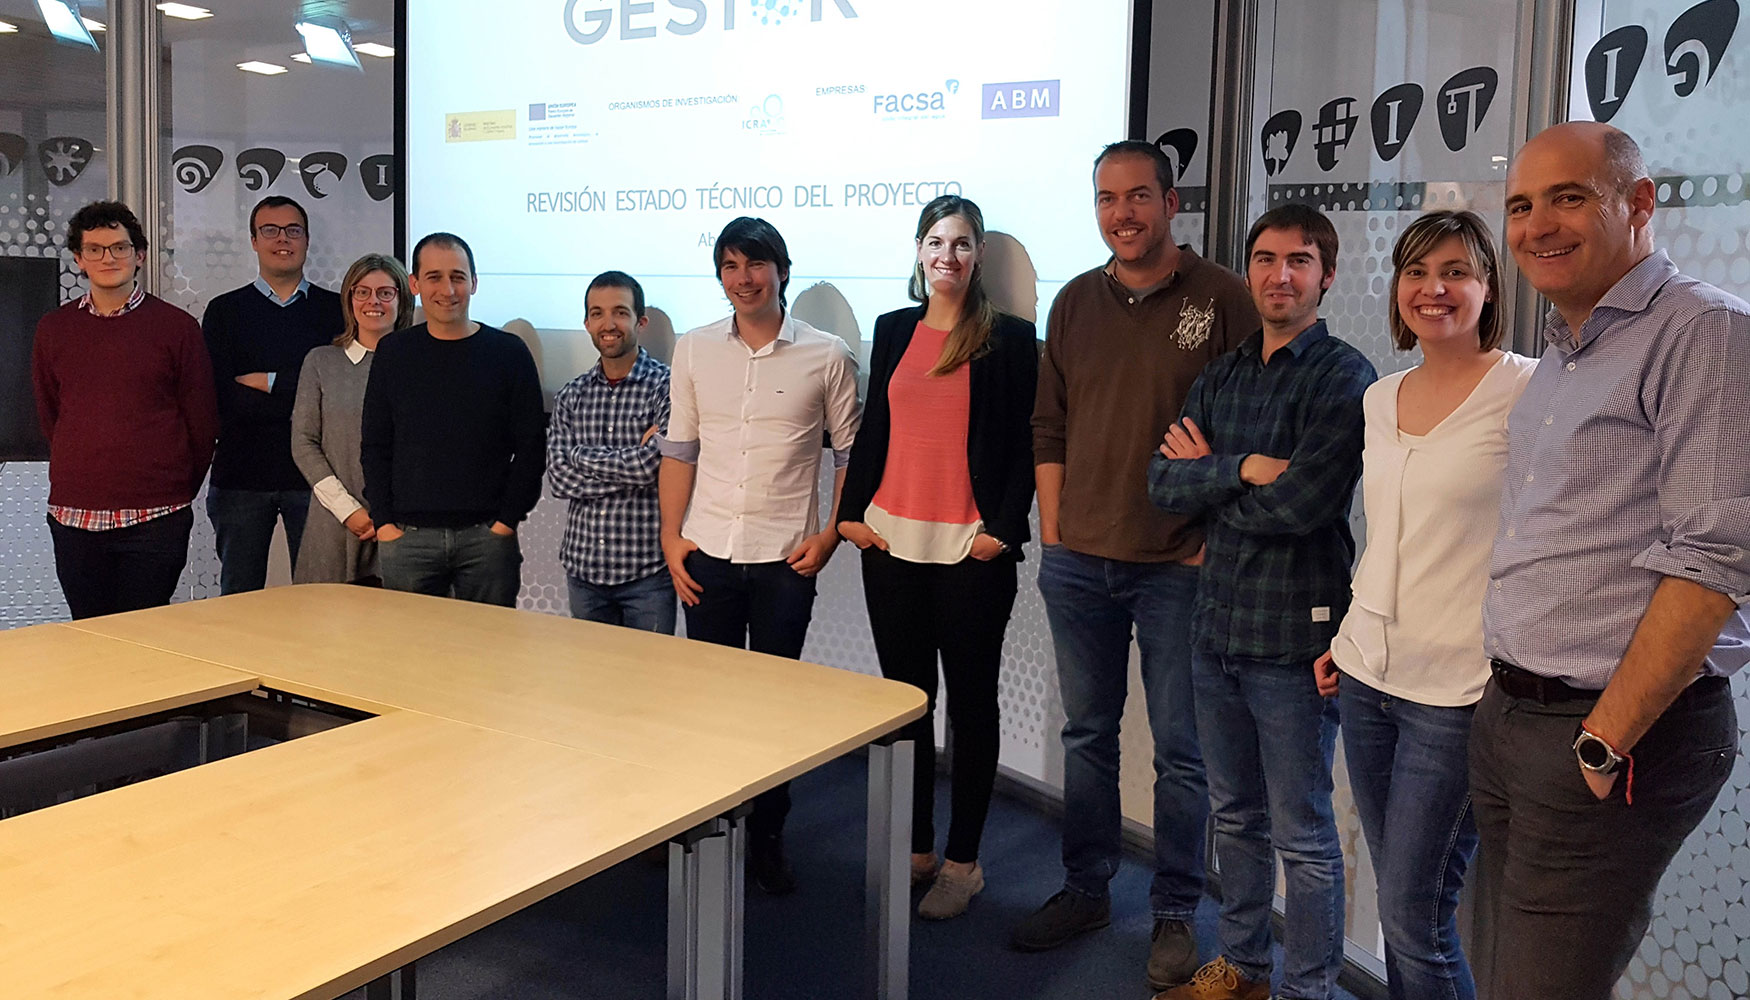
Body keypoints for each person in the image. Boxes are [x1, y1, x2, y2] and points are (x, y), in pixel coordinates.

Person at [1469, 121, 1750, 999]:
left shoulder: (1702, 332)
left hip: (1610, 736)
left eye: (1568, 197)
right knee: (1496, 967)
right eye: (1520, 204)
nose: (1537, 225)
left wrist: (1603, 743)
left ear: (1638, 204)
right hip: (1514, 716)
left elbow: (1716, 556)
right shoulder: (1565, 348)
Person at [1015, 140, 1258, 992]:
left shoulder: (1225, 297)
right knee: (1087, 736)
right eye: (1107, 199)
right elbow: (1049, 425)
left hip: (1178, 568)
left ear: (1171, 201)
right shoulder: (1076, 301)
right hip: (1079, 562)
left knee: (1182, 753)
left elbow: (1253, 433)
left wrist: (1209, 532)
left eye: (1139, 197)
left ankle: (1176, 911)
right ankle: (1085, 889)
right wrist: (1055, 530)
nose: (1123, 213)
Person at [1148, 203, 1375, 1000]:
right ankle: (1242, 968)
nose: (1281, 275)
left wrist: (1214, 474)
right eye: (1267, 259)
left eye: (1299, 261)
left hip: (1295, 641)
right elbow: (1162, 481)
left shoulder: (1345, 377)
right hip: (1216, 629)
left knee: (1303, 835)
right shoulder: (1224, 371)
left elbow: (1306, 505)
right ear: (1249, 272)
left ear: (1327, 275)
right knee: (1235, 817)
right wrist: (1245, 468)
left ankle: (1305, 989)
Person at [1311, 211, 1535, 1000]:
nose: (1432, 289)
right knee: (1402, 902)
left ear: (1487, 287)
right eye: (1415, 272)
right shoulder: (1381, 396)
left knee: (1415, 912)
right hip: (1368, 673)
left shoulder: (1528, 388)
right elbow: (1386, 537)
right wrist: (1346, 636)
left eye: (1454, 272)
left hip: (1458, 689)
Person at [837, 195, 1037, 920]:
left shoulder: (1010, 339)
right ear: (918, 253)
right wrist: (851, 517)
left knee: (972, 708)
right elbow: (872, 433)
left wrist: (1003, 530)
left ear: (977, 255)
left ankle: (963, 862)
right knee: (908, 705)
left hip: (969, 551)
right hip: (890, 542)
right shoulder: (892, 330)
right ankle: (918, 846)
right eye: (933, 242)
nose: (945, 256)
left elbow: (1021, 445)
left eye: (960, 243)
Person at [658, 216, 861, 894]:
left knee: (773, 708)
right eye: (731, 266)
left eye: (756, 265)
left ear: (781, 269)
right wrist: (670, 535)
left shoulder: (826, 354)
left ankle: (769, 833)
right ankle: (711, 826)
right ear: (720, 275)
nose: (743, 279)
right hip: (708, 553)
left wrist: (831, 533)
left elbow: (849, 457)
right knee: (708, 702)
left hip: (785, 560)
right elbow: (680, 452)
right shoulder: (693, 349)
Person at [31, 200, 218, 619]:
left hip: (156, 516)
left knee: (147, 636)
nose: (108, 258)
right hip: (75, 515)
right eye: (95, 249)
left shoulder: (177, 328)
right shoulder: (53, 329)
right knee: (91, 635)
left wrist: (174, 490)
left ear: (140, 255)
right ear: (79, 260)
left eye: (119, 247)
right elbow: (50, 414)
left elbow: (202, 423)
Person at [361, 232, 546, 606]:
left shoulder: (508, 353)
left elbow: (531, 447)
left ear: (474, 283)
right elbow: (376, 444)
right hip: (407, 539)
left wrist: (505, 522)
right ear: (414, 284)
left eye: (458, 277)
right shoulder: (393, 353)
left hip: (487, 539)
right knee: (411, 655)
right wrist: (384, 524)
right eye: (434, 277)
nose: (448, 289)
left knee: (490, 653)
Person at [201, 195, 344, 593]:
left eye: (293, 230)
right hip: (240, 478)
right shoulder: (224, 311)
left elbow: (337, 392)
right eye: (270, 230)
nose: (283, 239)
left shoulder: (337, 311)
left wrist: (269, 381)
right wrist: (303, 391)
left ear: (307, 240)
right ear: (253, 240)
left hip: (317, 478)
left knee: (321, 598)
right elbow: (222, 397)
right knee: (238, 598)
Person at [547, 270, 674, 633]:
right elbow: (558, 478)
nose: (609, 323)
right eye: (598, 313)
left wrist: (579, 456)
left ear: (641, 321)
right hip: (584, 572)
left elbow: (654, 468)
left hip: (647, 574)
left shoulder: (667, 387)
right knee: (592, 685)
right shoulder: (572, 394)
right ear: (586, 323)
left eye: (620, 312)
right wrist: (634, 462)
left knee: (650, 681)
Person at [289, 253, 413, 585]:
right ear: (349, 299)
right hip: (334, 524)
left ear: (402, 299)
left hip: (406, 528)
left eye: (386, 293)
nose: (373, 301)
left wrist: (389, 516)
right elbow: (304, 443)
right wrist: (350, 511)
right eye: (362, 292)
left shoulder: (421, 366)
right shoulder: (321, 362)